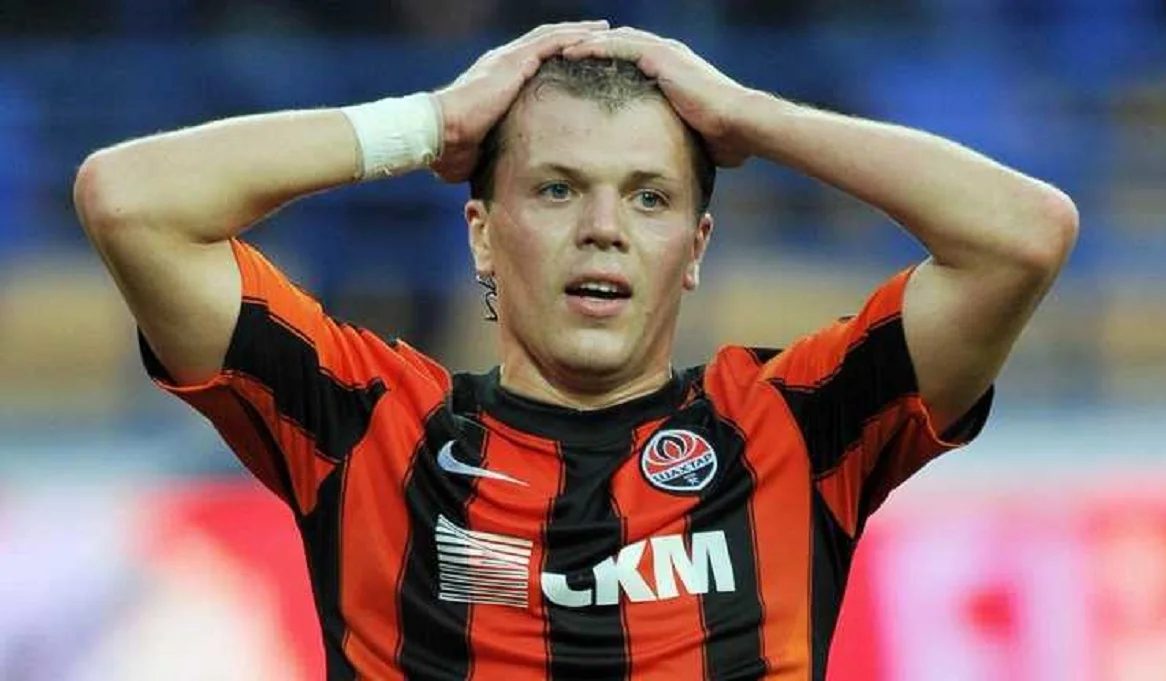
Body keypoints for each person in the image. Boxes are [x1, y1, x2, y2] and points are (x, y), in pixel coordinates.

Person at [73, 20, 1077, 681]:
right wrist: (427, 123)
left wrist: (751, 118)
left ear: (695, 247)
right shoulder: (368, 423)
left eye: (649, 197)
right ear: (480, 234)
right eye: (556, 189)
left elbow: (1022, 236)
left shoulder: (792, 424)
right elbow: (130, 201)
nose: (603, 229)